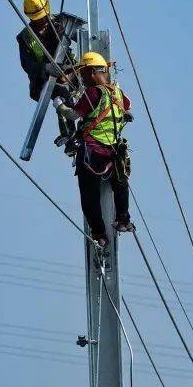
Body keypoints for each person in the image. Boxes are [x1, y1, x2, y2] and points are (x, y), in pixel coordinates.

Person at [66, 50, 135, 245]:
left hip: (92, 153)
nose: (83, 78)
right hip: (114, 152)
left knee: (89, 197)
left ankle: (100, 235)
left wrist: (59, 105)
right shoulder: (117, 93)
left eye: (84, 73)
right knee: (120, 184)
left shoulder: (93, 92)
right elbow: (128, 107)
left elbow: (74, 114)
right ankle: (123, 220)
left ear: (93, 72)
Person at [16, 0, 83, 100]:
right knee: (62, 97)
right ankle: (66, 111)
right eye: (38, 18)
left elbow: (84, 38)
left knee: (87, 84)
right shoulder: (25, 37)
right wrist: (46, 68)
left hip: (69, 69)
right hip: (44, 80)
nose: (42, 20)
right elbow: (27, 64)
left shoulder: (62, 22)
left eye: (43, 16)